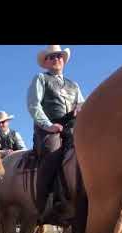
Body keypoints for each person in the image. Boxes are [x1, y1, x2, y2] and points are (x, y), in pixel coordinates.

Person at [27, 45, 85, 218]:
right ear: (45, 62)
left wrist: (80, 110)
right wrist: (48, 125)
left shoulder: (73, 85)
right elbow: (34, 105)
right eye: (51, 57)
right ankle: (44, 203)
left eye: (58, 55)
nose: (56, 59)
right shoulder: (41, 78)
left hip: (71, 127)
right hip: (47, 129)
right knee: (53, 152)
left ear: (63, 59)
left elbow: (82, 104)